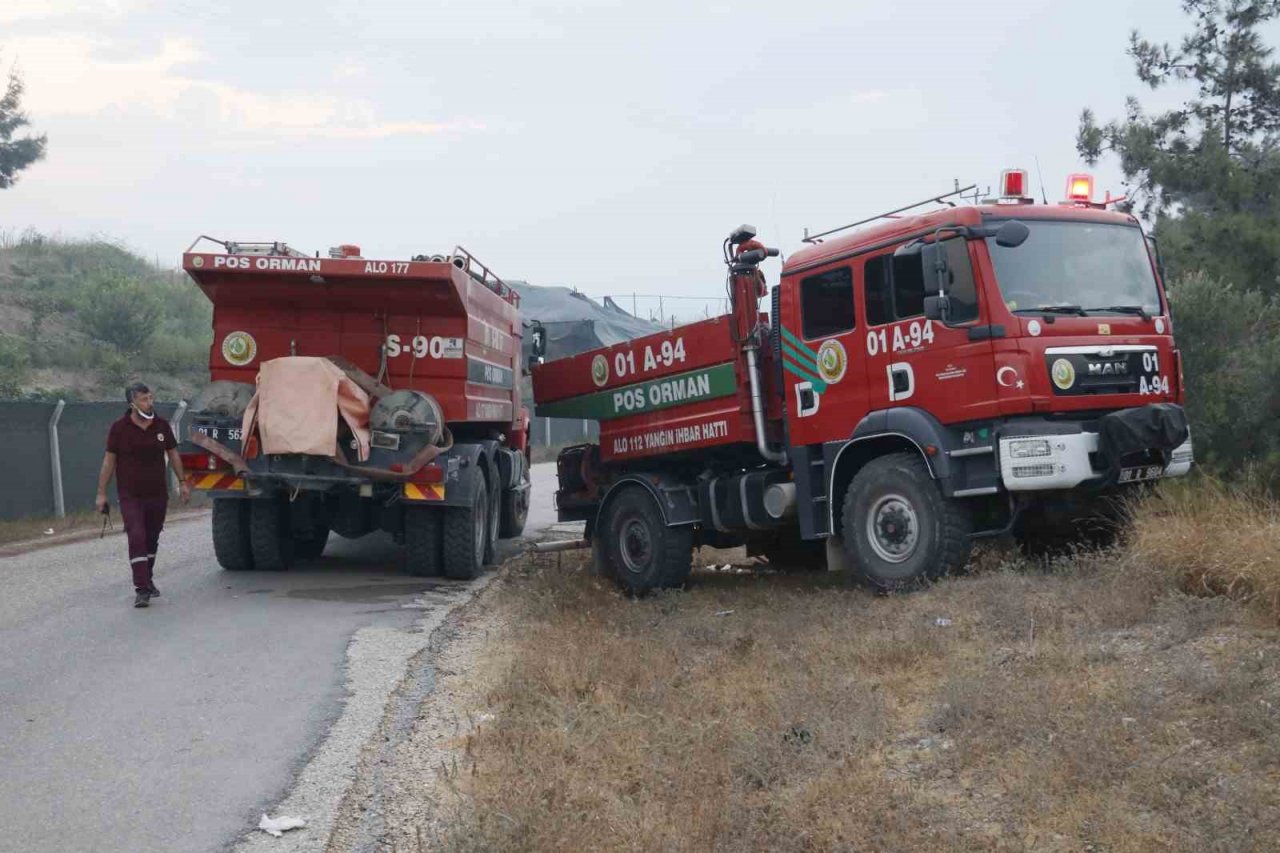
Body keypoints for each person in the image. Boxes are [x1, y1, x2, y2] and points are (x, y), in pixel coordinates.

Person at [94, 383, 191, 608]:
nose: (150, 403)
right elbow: (109, 461)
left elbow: (173, 454)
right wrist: (101, 493)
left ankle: (147, 577)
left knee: (151, 537)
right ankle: (142, 588)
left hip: (157, 494)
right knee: (136, 535)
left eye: (150, 398)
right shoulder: (119, 428)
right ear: (133, 404)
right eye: (144, 400)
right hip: (130, 495)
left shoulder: (161, 425)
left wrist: (183, 482)